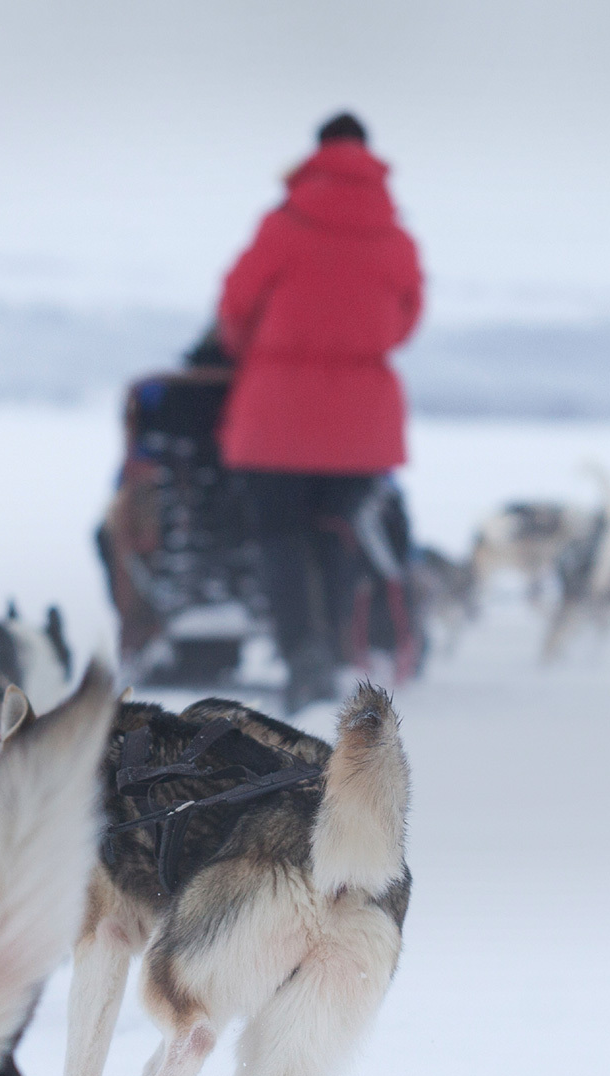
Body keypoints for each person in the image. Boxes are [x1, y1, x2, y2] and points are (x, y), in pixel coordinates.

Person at [215, 111, 424, 712]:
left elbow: (236, 304)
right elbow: (406, 321)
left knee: (279, 535)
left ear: (317, 150)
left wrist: (255, 351)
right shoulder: (395, 236)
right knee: (337, 535)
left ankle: (299, 652)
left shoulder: (285, 224)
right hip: (362, 418)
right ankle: (334, 649)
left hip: (275, 410)